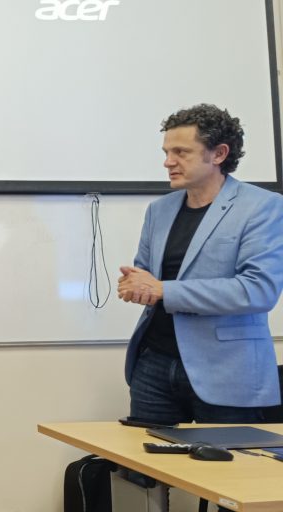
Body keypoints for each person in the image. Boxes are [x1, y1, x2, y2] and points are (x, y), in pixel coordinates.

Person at [119, 104, 283, 425]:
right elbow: (147, 276)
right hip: (153, 366)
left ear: (219, 154)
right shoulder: (159, 210)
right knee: (144, 458)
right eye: (166, 152)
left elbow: (258, 291)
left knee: (226, 459)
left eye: (181, 152)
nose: (168, 162)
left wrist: (163, 290)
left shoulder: (263, 207)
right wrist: (134, 285)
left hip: (228, 370)